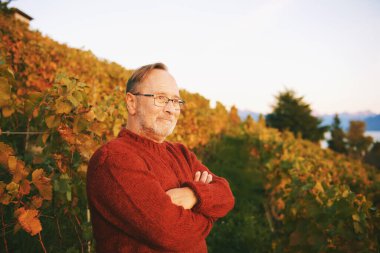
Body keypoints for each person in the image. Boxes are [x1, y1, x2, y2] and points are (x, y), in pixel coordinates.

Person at [86, 62, 235, 253]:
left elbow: (226, 195)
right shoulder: (114, 159)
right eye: (161, 98)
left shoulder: (180, 153)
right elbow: (174, 234)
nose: (171, 109)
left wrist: (193, 195)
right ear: (132, 103)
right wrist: (208, 212)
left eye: (175, 101)